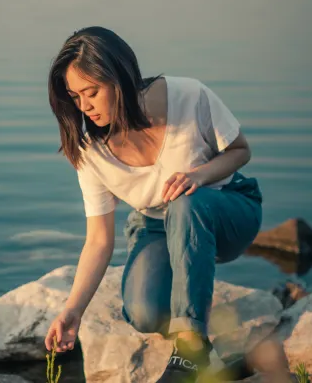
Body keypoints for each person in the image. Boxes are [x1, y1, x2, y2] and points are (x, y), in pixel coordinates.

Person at [44, 26, 263, 383]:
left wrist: (200, 176)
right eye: (75, 96)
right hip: (156, 224)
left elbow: (241, 151)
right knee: (145, 314)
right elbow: (99, 240)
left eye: (92, 92)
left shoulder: (189, 96)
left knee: (185, 204)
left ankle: (193, 352)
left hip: (225, 207)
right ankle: (186, 293)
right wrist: (73, 311)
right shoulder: (90, 150)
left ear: (119, 78)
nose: (84, 107)